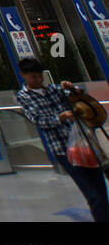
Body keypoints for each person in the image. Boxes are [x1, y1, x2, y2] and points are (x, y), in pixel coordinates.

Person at [14, 58, 107, 223]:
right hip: (62, 148)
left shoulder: (53, 89)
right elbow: (38, 119)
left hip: (83, 144)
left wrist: (72, 88)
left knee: (100, 187)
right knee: (91, 192)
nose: (38, 80)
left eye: (39, 76)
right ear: (23, 76)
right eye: (33, 77)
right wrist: (61, 118)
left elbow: (78, 95)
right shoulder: (23, 97)